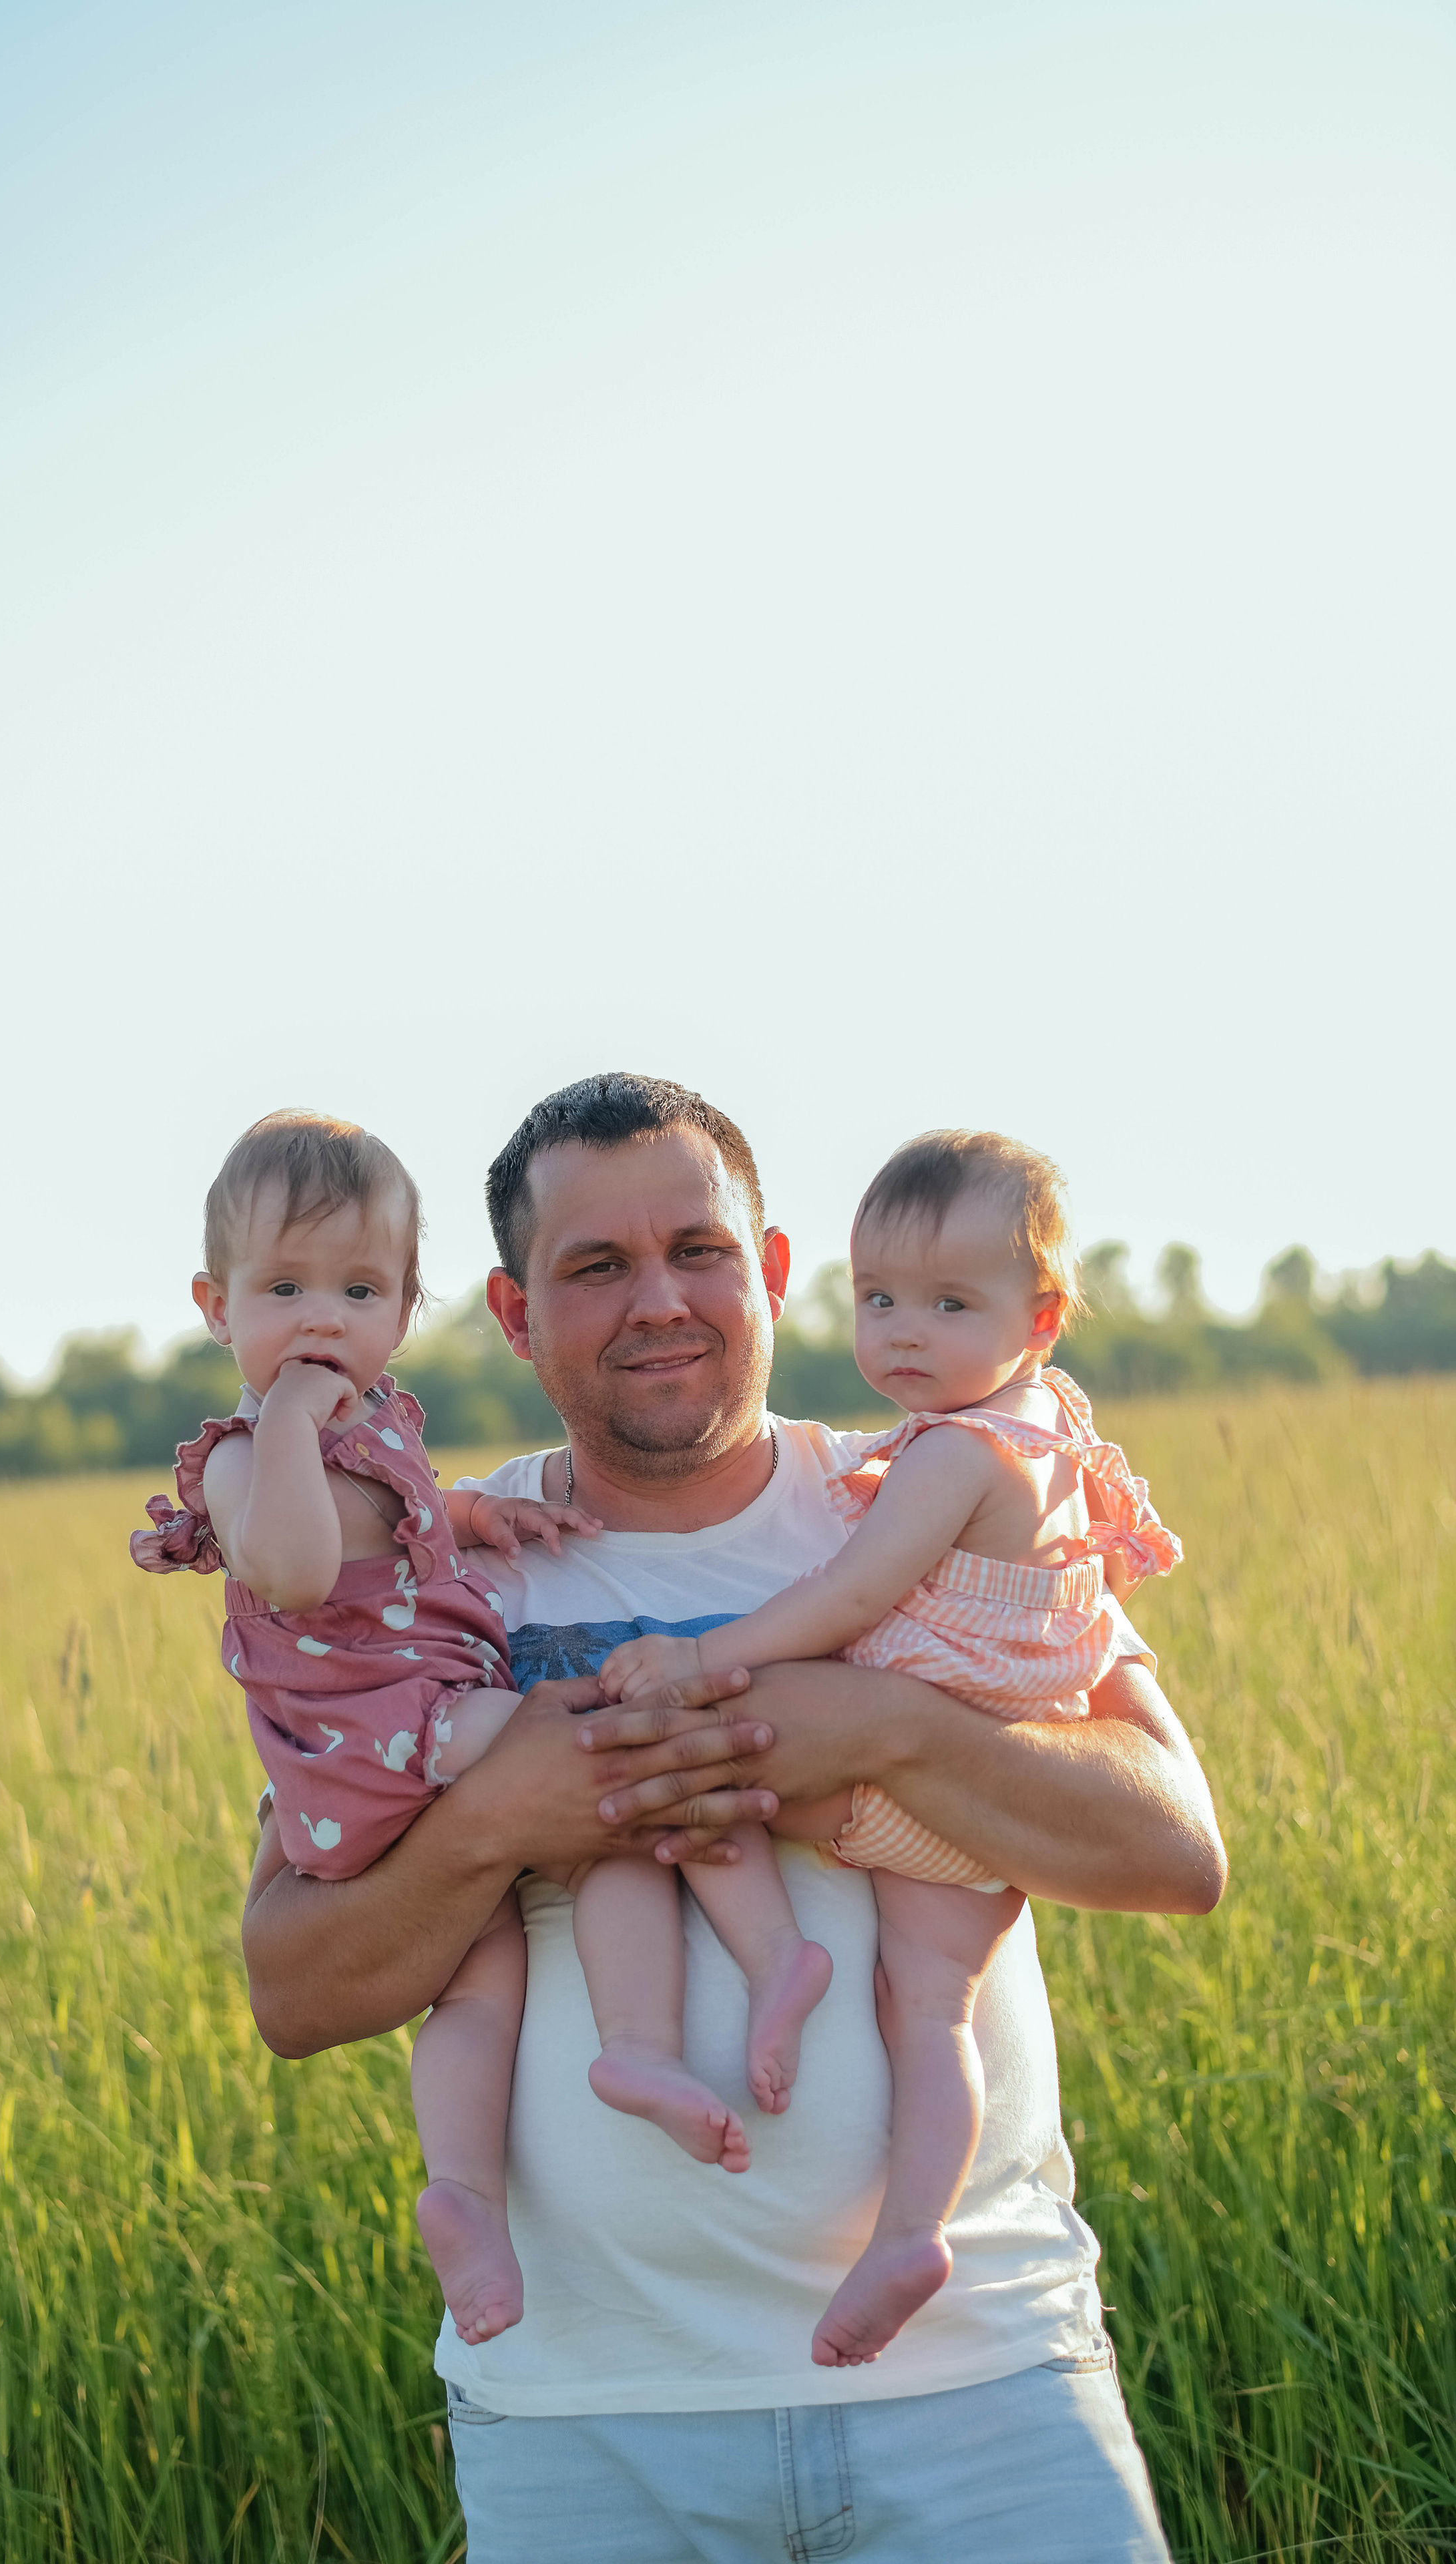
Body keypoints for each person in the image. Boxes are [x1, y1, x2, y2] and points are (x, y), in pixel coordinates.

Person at [242, 1073, 1226, 2564]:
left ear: (768, 1273)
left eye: (697, 1249)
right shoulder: (438, 1572)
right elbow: (297, 1988)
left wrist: (885, 1724)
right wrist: (497, 1818)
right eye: (595, 1267)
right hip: (591, 2430)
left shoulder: (943, 1496)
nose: (659, 1301)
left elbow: (1172, 1852)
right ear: (514, 1317)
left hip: (983, 2396)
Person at [598, 1127, 1183, 2368]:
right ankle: (911, 2230)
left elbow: (854, 1600)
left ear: (1041, 1317)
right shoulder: (1044, 1439)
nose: (904, 1333)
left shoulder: (952, 1457)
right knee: (931, 2014)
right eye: (879, 1301)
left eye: (948, 1304)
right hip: (975, 1815)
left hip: (920, 1778)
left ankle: (772, 1971)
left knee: (684, 1775)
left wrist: (709, 1660)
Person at [131, 1108, 599, 2348]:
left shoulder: (374, 1420)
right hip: (390, 1737)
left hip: (404, 1738)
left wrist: (465, 1517)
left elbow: (378, 1520)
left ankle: (465, 2197)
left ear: (403, 1309)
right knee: (578, 1735)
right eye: (283, 1288)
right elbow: (291, 1569)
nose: (322, 1319)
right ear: (215, 1306)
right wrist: (282, 1421)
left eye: (358, 1288)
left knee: (484, 1975)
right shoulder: (240, 1459)